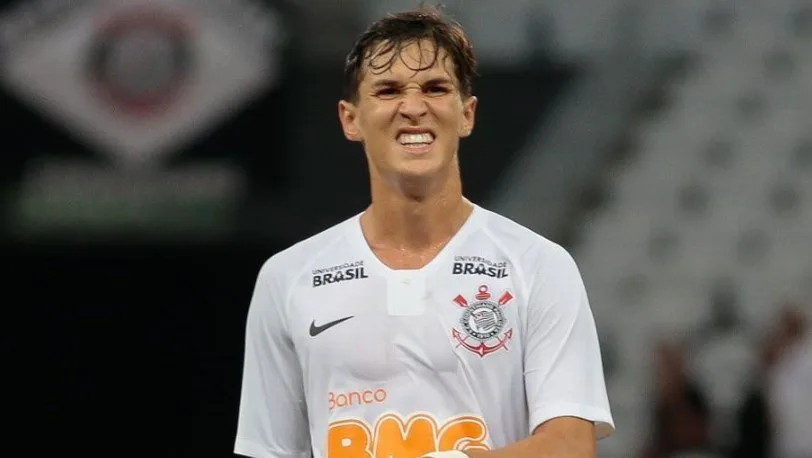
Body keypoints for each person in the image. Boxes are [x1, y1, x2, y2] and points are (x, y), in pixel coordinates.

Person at [234, 6, 614, 458]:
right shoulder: (289, 278)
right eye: (388, 90)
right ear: (350, 119)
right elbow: (267, 451)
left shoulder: (538, 266)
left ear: (467, 113)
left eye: (435, 88)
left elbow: (570, 448)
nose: (413, 108)